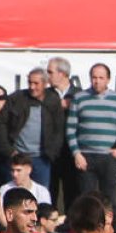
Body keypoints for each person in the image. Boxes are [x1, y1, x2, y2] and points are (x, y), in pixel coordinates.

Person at [67, 63, 116, 208]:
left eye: (101, 77)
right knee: (87, 201)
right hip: (85, 157)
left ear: (108, 79)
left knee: (110, 201)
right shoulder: (79, 98)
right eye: (94, 77)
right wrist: (76, 154)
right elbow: (70, 129)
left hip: (108, 157)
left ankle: (113, 230)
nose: (97, 81)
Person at [0, 67, 64, 190]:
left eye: (36, 83)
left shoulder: (53, 101)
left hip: (41, 159)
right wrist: (9, 150)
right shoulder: (17, 98)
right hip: (17, 156)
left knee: (41, 198)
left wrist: (52, 153)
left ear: (45, 83)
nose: (32, 87)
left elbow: (59, 129)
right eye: (30, 83)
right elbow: (1, 123)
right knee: (13, 196)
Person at [44, 57, 80, 210]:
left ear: (62, 73)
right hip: (50, 151)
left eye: (50, 72)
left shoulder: (79, 95)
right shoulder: (45, 95)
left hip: (71, 151)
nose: (48, 76)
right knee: (49, 192)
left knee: (72, 193)